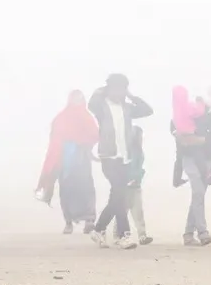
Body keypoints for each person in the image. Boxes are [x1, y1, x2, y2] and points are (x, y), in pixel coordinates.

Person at [87, 73, 154, 250]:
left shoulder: (127, 108)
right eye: (116, 88)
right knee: (120, 194)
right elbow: (91, 102)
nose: (119, 93)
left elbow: (148, 110)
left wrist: (131, 96)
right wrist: (105, 89)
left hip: (125, 157)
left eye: (122, 89)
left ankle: (99, 229)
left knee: (117, 197)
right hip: (109, 157)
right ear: (109, 89)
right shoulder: (101, 106)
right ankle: (124, 235)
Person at [35, 90, 99, 235]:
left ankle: (89, 219)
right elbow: (55, 140)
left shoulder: (86, 117)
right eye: (75, 99)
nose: (77, 102)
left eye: (79, 99)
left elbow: (95, 135)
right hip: (64, 160)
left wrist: (83, 144)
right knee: (67, 190)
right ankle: (69, 222)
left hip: (81, 158)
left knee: (85, 187)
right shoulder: (61, 118)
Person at [171, 85, 211, 246]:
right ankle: (203, 233)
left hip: (205, 158)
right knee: (198, 193)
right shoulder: (177, 120)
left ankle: (188, 234)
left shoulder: (207, 116)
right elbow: (180, 147)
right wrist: (176, 175)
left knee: (198, 196)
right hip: (189, 159)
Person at [117, 125, 153, 246]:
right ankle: (117, 235)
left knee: (138, 212)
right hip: (127, 185)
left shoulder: (138, 151)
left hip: (136, 184)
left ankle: (142, 235)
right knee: (123, 211)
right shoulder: (128, 151)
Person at [171, 86, 206, 188]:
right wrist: (201, 102)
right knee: (198, 155)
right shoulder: (188, 106)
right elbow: (199, 112)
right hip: (190, 135)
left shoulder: (175, 108)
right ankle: (206, 177)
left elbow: (173, 123)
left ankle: (176, 180)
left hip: (179, 135)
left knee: (179, 158)